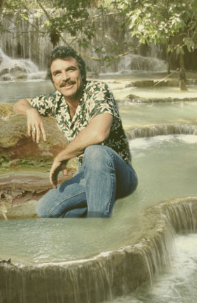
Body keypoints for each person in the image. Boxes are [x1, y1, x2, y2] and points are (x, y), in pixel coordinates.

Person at [13, 46, 137, 218]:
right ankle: (91, 212)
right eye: (57, 73)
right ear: (54, 81)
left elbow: (98, 134)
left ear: (82, 74)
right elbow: (20, 103)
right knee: (45, 209)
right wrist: (30, 111)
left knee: (95, 152)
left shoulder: (97, 91)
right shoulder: (55, 101)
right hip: (86, 174)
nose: (65, 78)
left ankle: (97, 230)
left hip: (119, 174)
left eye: (70, 70)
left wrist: (62, 156)